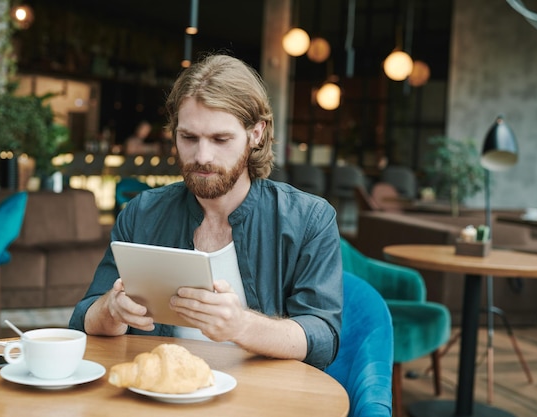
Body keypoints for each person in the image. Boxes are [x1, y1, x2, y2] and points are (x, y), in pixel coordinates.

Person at [69, 54, 343, 370]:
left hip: (262, 399)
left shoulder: (309, 219)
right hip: (161, 396)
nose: (202, 156)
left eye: (220, 139)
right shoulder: (142, 213)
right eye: (188, 137)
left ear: (256, 133)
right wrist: (112, 310)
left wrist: (241, 325)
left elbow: (323, 339)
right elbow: (83, 318)